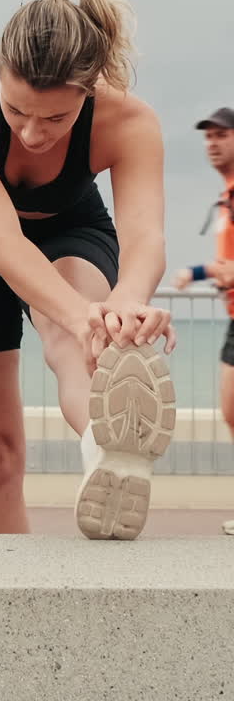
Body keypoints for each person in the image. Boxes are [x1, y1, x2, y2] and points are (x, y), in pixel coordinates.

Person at [0, 0, 176, 540]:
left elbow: (145, 239)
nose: (33, 134)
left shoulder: (129, 121)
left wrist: (127, 306)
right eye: (16, 113)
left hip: (72, 232)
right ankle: (0, 603)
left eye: (57, 118)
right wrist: (82, 311)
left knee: (72, 339)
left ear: (89, 94)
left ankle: (110, 459)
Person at [174, 106, 234, 533]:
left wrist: (204, 273)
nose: (212, 143)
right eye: (207, 136)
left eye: (222, 136)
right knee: (232, 411)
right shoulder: (226, 198)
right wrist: (202, 272)